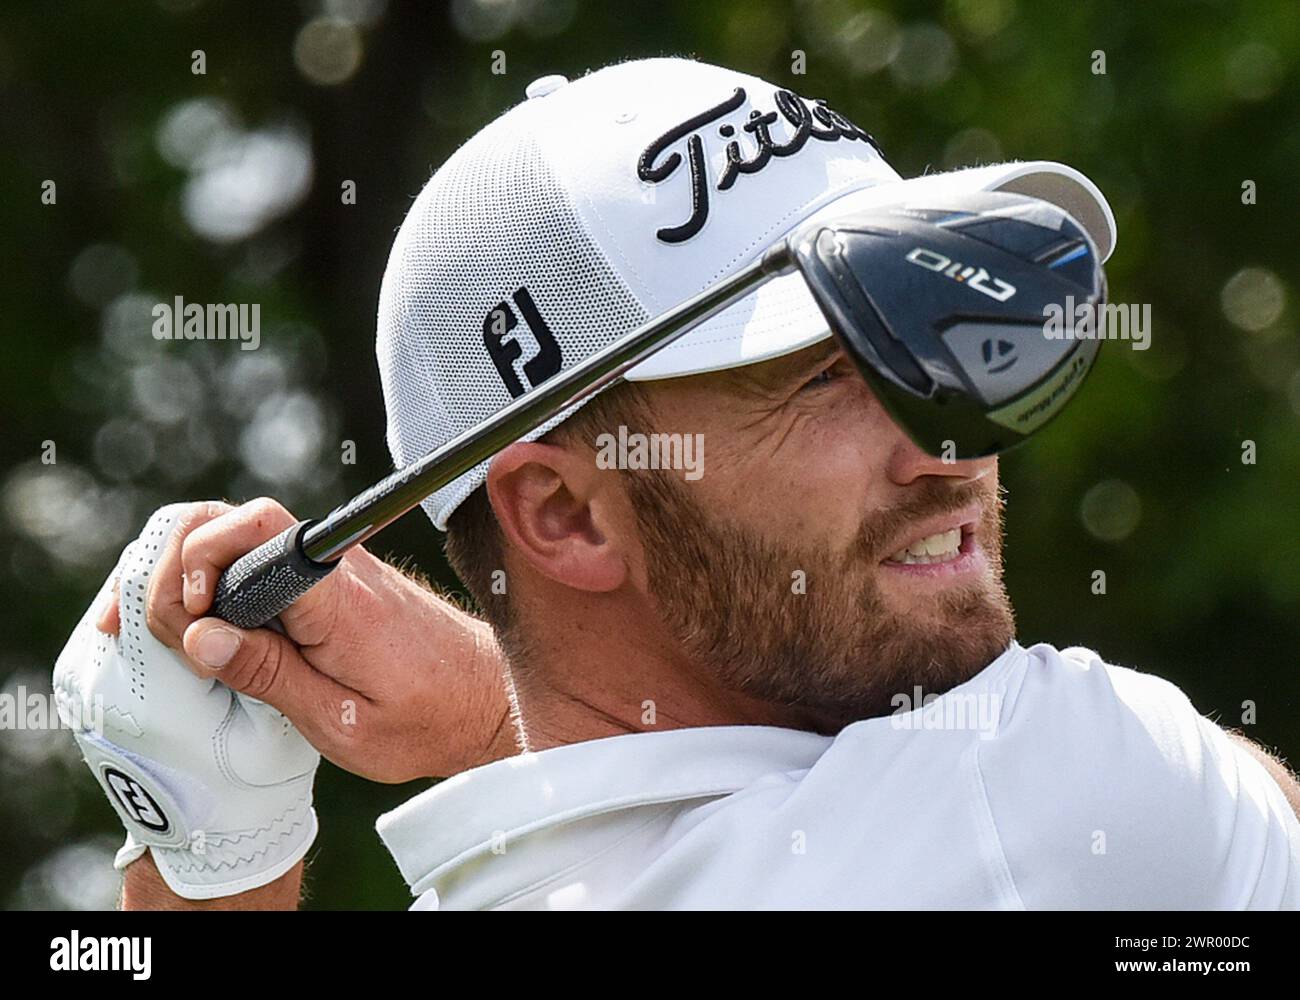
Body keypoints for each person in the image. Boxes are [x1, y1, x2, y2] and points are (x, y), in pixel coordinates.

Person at [55, 58, 1300, 910]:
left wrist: (214, 849)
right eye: (816, 380)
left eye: (917, 340)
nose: (948, 448)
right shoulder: (1055, 779)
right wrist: (485, 716)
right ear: (561, 513)